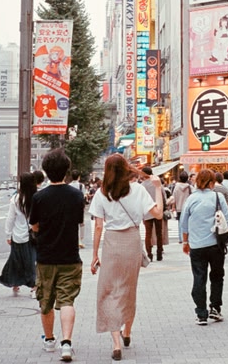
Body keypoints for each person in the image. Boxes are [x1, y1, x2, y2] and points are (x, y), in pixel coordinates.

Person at [89, 154, 163, 361]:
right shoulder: (137, 190)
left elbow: (98, 226)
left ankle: (115, 343)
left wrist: (94, 254)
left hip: (111, 243)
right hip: (132, 240)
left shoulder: (102, 192)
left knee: (109, 291)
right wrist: (157, 188)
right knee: (128, 290)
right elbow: (157, 214)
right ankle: (127, 331)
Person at [30, 149, 84, 362]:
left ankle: (50, 340)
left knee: (46, 301)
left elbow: (34, 226)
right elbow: (78, 221)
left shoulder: (39, 197)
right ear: (66, 170)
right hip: (70, 256)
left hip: (45, 257)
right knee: (67, 300)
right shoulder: (77, 195)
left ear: (45, 171)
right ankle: (67, 343)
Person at [179, 170, 228, 326]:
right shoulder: (217, 197)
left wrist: (185, 242)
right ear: (212, 182)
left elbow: (184, 223)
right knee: (217, 276)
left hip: (197, 246)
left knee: (199, 278)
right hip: (216, 245)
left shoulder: (191, 199)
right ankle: (215, 308)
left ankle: (201, 313)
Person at [0, 172, 39, 297]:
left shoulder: (16, 199)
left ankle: (15, 283)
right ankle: (34, 287)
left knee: (16, 260)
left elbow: (10, 219)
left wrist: (8, 235)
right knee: (31, 261)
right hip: (32, 235)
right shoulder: (37, 198)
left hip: (17, 235)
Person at [140, 166, 166, 261]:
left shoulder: (142, 186)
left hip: (147, 211)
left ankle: (149, 254)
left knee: (148, 234)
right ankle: (159, 253)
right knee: (159, 233)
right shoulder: (157, 183)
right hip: (158, 209)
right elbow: (163, 197)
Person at [69, 170, 89, 249]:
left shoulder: (69, 185)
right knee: (81, 223)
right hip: (79, 206)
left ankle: (73, 240)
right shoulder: (81, 186)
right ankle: (80, 240)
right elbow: (84, 195)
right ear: (78, 177)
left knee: (72, 223)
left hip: (70, 206)